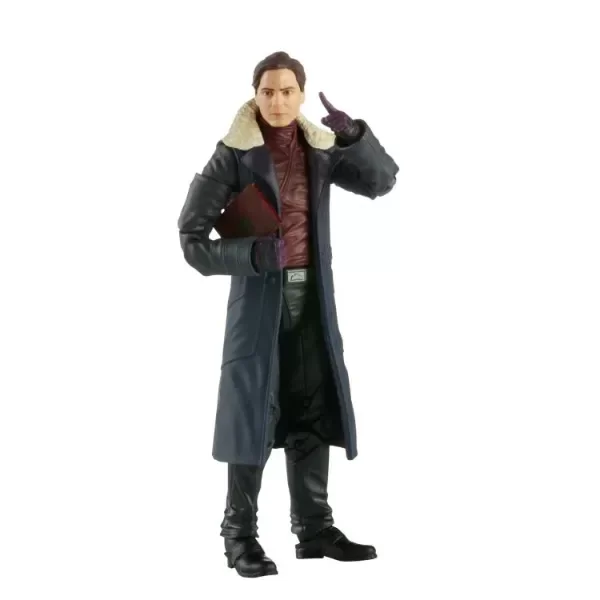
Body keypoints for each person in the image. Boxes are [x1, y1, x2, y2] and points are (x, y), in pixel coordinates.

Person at [177, 51, 399, 578]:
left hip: (312, 300)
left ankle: (314, 528)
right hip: (259, 305)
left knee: (312, 406)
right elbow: (191, 240)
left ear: (302, 94)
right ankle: (239, 535)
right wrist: (253, 256)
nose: (277, 101)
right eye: (267, 91)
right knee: (252, 412)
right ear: (255, 95)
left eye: (287, 91)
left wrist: (353, 137)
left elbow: (381, 181)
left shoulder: (319, 148)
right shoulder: (233, 154)